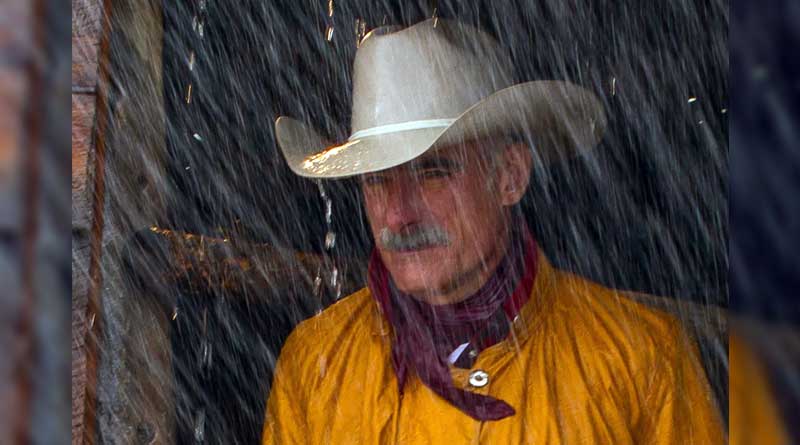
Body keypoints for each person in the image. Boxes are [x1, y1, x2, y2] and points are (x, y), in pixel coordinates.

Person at [263, 18, 724, 444]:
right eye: (377, 180)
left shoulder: (639, 360)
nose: (398, 215)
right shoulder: (315, 368)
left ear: (509, 176)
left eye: (433, 172)